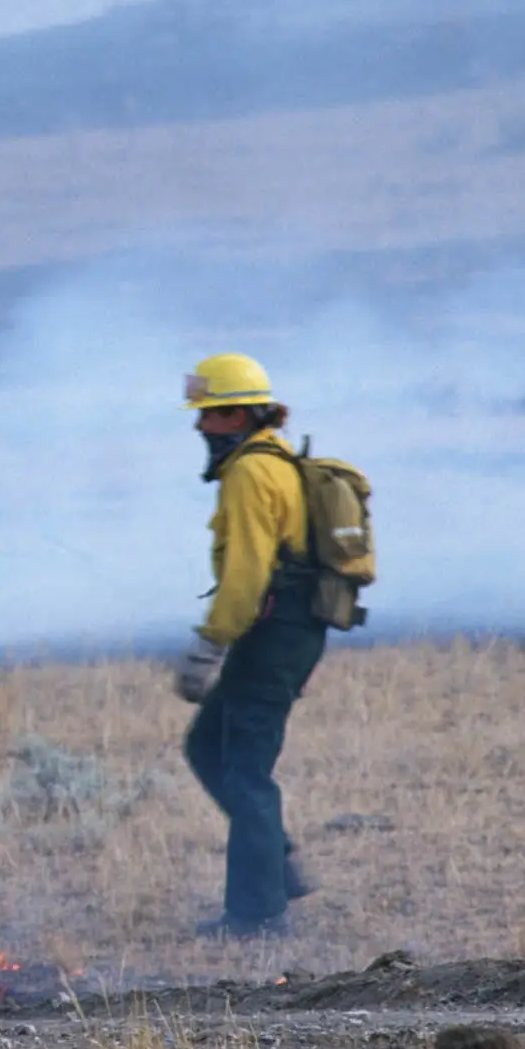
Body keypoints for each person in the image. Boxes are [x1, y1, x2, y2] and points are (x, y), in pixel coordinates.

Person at [173, 351, 325, 939]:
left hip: (273, 634)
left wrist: (209, 646)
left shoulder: (247, 474)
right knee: (209, 747)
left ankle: (258, 916)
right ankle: (275, 864)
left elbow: (245, 575)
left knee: (242, 769)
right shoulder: (273, 461)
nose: (199, 427)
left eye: (208, 416)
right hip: (284, 632)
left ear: (236, 417)